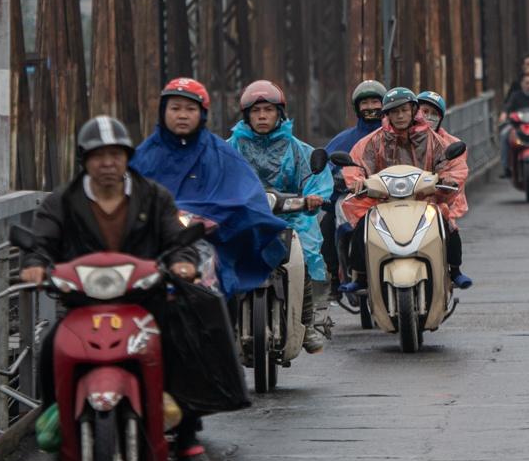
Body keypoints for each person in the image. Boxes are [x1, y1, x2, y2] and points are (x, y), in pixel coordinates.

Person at [21, 115, 212, 461]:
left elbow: (176, 239)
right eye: (98, 156)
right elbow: (41, 243)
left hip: (145, 302)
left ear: (127, 158)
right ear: (84, 161)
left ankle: (187, 436)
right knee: (51, 349)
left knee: (182, 343)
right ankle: (61, 434)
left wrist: (183, 262)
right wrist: (34, 264)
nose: (107, 163)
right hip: (83, 304)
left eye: (115, 155)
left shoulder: (153, 197)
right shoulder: (62, 201)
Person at [132, 78, 289, 300]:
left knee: (215, 287)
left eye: (190, 109)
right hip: (155, 239)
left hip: (208, 239)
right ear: (162, 111)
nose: (183, 115)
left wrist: (215, 219)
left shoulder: (219, 154)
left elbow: (247, 194)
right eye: (175, 108)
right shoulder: (144, 156)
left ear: (202, 113)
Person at [228, 80, 334, 352]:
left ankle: (307, 323)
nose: (262, 116)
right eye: (256, 111)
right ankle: (225, 325)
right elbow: (217, 177)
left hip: (290, 216)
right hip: (245, 219)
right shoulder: (230, 148)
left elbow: (316, 174)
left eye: (268, 110)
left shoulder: (297, 149)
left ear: (280, 114)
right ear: (246, 116)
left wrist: (313, 197)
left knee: (305, 256)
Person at [341, 86, 471, 290]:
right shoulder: (374, 140)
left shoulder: (433, 139)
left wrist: (448, 179)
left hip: (425, 201)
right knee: (362, 228)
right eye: (394, 111)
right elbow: (356, 163)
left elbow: (450, 164)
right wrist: (356, 180)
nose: (399, 116)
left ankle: (454, 270)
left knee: (447, 226)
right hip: (383, 202)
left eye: (403, 110)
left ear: (413, 110)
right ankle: (360, 276)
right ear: (387, 115)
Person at [322, 79, 387, 288]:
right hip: (355, 199)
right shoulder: (343, 140)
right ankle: (334, 275)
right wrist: (338, 180)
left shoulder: (396, 136)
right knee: (328, 222)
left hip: (392, 198)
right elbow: (327, 169)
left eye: (375, 102)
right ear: (357, 108)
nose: (370, 108)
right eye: (364, 103)